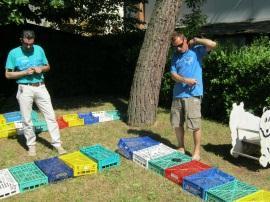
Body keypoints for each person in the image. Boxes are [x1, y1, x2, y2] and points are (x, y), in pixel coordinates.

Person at [5, 30, 67, 156]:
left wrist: (41, 68)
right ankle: (31, 146)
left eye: (31, 44)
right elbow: (8, 74)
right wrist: (24, 73)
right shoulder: (13, 53)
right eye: (26, 44)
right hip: (24, 88)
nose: (29, 46)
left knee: (50, 116)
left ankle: (58, 145)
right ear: (21, 39)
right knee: (27, 119)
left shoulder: (39, 49)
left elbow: (47, 66)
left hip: (41, 87)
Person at [170, 31, 217, 160]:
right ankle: (181, 146)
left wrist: (196, 40)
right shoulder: (175, 56)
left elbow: (213, 44)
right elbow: (173, 75)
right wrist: (186, 80)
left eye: (180, 45)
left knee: (195, 124)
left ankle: (196, 152)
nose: (178, 48)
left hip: (193, 95)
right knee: (177, 123)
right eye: (175, 46)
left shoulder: (196, 51)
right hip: (178, 94)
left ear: (185, 40)